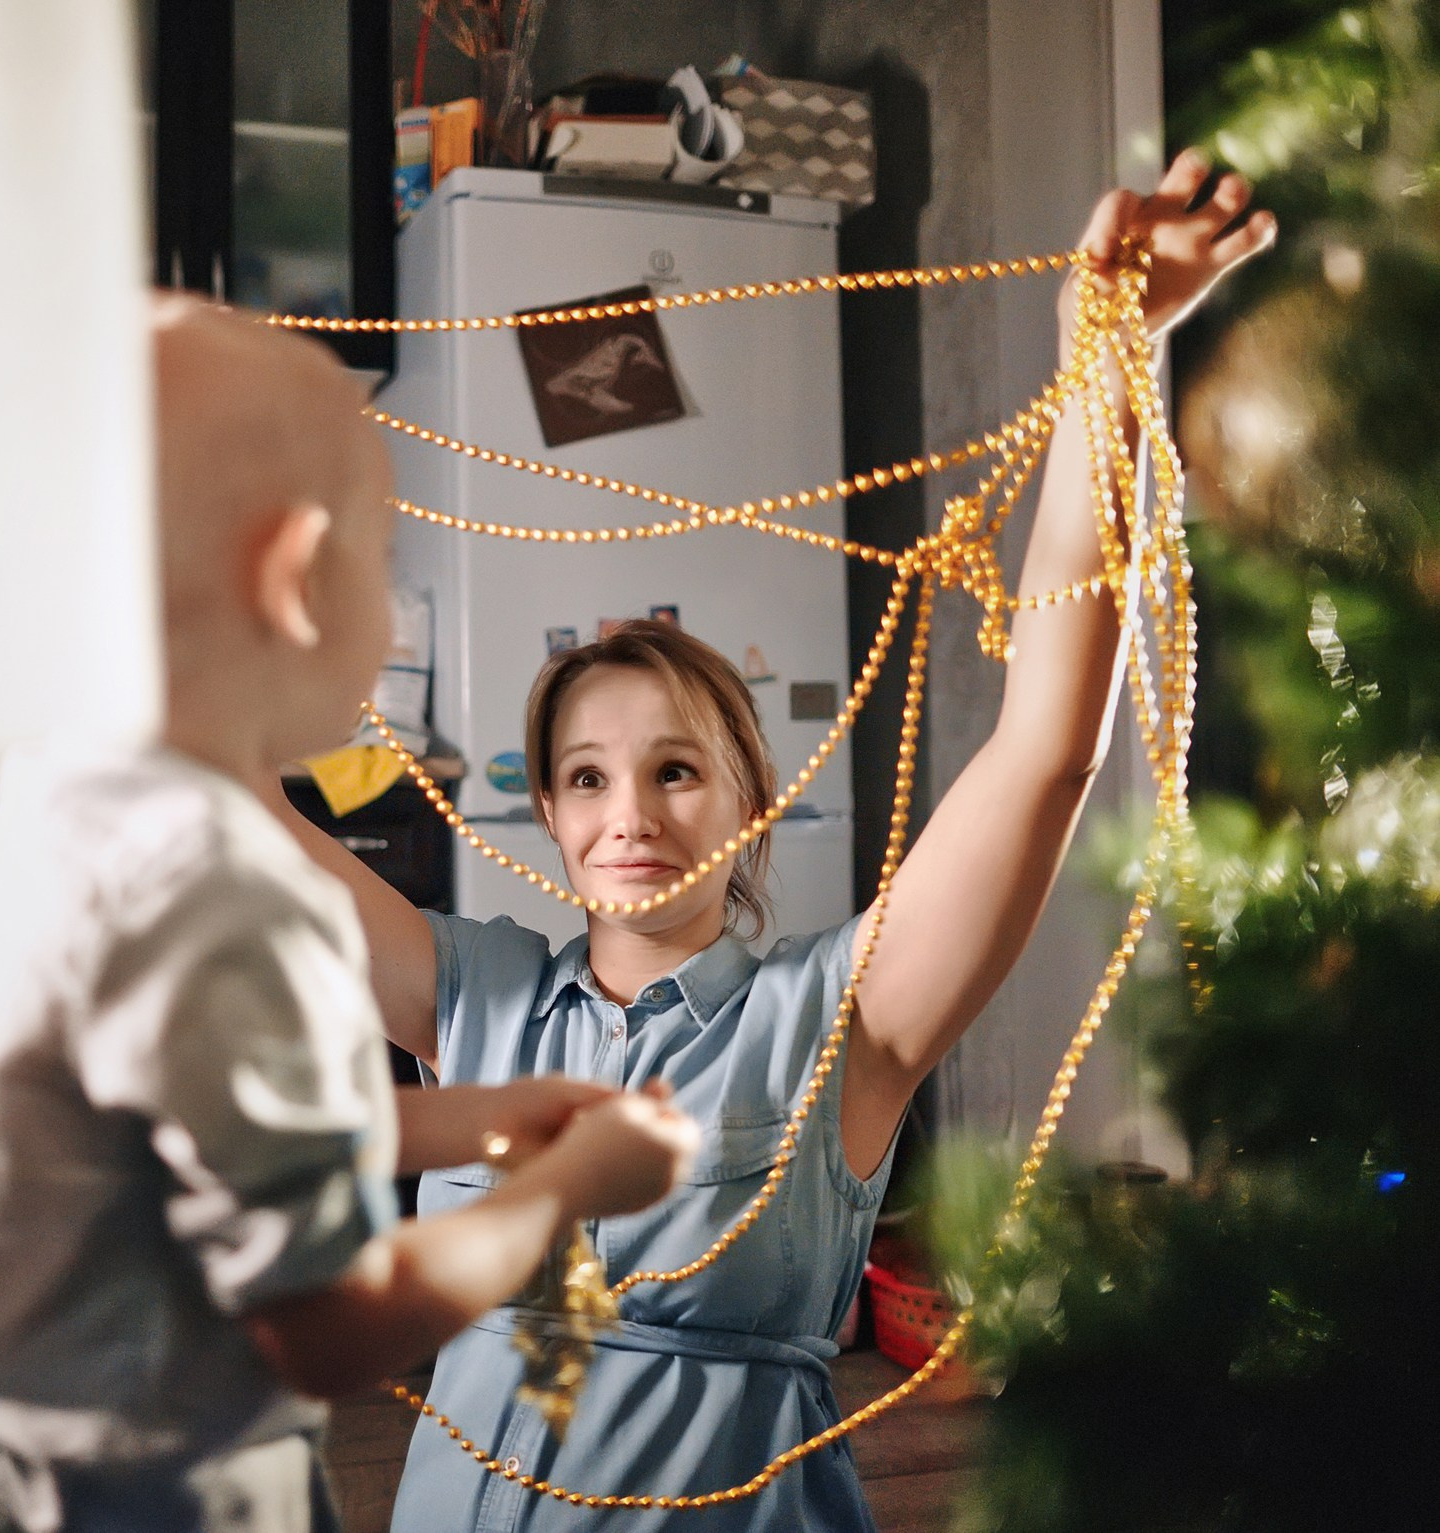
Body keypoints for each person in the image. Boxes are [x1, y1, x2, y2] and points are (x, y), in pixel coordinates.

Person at [270, 152, 1276, 1530]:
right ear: (550, 811)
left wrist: (1106, 356)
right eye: (586, 775)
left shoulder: (837, 1019)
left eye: (677, 769)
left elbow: (1047, 747)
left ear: (748, 797)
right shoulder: (474, 992)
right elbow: (233, 829)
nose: (630, 812)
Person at [0, 297, 700, 1533]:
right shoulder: (224, 893)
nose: (391, 613)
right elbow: (330, 1330)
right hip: (126, 1483)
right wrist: (564, 1190)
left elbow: (185, 1120)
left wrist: (478, 1122)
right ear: (292, 580)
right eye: (383, 563)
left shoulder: (62, 792)